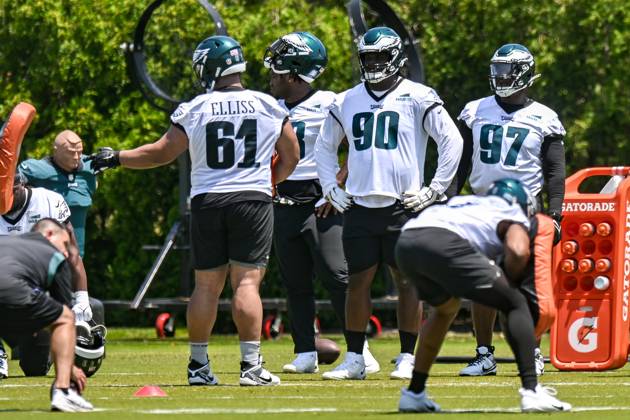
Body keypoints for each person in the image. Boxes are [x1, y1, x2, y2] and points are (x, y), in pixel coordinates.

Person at [88, 34, 299, 386]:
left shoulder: (195, 107)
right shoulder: (269, 105)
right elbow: (292, 155)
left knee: (206, 287)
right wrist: (269, 181)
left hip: (208, 200)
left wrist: (118, 157)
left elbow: (162, 152)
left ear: (210, 67)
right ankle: (250, 368)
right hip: (252, 199)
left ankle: (199, 367)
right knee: (247, 284)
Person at [315, 27, 463, 380]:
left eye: (380, 56)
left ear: (396, 57)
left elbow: (451, 140)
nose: (374, 63)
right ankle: (355, 358)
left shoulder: (418, 95)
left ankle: (407, 357)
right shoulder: (346, 99)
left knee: (409, 283)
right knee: (357, 283)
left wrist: (434, 189)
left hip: (404, 204)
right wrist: (329, 187)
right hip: (361, 205)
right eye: (368, 57)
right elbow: (323, 145)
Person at [395, 178, 571, 413]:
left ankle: (414, 393)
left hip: (406, 243)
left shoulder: (465, 202)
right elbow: (518, 252)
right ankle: (532, 391)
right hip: (443, 242)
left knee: (445, 309)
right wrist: (512, 278)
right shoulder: (511, 211)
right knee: (515, 302)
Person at [264, 31, 378, 374]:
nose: (271, 76)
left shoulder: (333, 101)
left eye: (277, 70)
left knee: (337, 275)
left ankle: (361, 351)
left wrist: (335, 185)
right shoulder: (269, 106)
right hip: (282, 199)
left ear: (295, 73)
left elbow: (360, 146)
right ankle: (304, 352)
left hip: (320, 199)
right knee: (294, 280)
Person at [453, 43, 566, 377]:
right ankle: (484, 354)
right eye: (497, 70)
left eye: (507, 71)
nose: (500, 77)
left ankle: (531, 351)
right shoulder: (474, 110)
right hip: (480, 208)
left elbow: (555, 173)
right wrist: (447, 199)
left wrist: (556, 215)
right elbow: (460, 163)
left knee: (523, 285)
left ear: (524, 74)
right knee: (482, 283)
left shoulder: (544, 117)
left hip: (524, 211)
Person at [0, 173, 93, 378]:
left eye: (6, 192)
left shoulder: (49, 202)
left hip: (34, 294)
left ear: (20, 185)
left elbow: (72, 255)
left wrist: (82, 299)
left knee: (35, 367)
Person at [0, 218, 93, 412]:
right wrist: (69, 367)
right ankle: (63, 391)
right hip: (10, 289)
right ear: (49, 234)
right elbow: (61, 318)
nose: (67, 252)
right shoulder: (53, 255)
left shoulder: (9, 242)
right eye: (65, 244)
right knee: (66, 317)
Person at [19, 129, 98, 257]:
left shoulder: (91, 167)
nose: (77, 157)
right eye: (71, 153)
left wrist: (114, 158)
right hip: (43, 251)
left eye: (79, 152)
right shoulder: (35, 170)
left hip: (76, 254)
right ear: (56, 150)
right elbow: (10, 186)